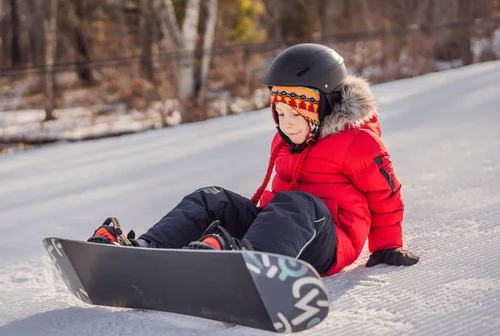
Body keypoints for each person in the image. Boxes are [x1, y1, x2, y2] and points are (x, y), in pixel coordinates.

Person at [89, 43, 419, 276]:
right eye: (280, 112)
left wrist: (387, 246)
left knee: (298, 203)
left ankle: (241, 266)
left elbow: (385, 193)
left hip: (330, 241)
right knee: (212, 198)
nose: (286, 123)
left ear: (323, 107)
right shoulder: (287, 138)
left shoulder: (358, 142)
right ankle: (144, 252)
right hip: (280, 232)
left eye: (296, 113)